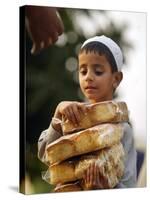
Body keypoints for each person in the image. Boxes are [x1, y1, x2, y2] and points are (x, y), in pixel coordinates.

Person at [38, 35, 137, 189]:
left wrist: (102, 189)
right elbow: (45, 155)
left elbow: (130, 186)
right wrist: (58, 113)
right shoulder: (73, 117)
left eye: (97, 72)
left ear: (116, 79)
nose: (88, 77)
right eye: (83, 71)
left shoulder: (124, 130)